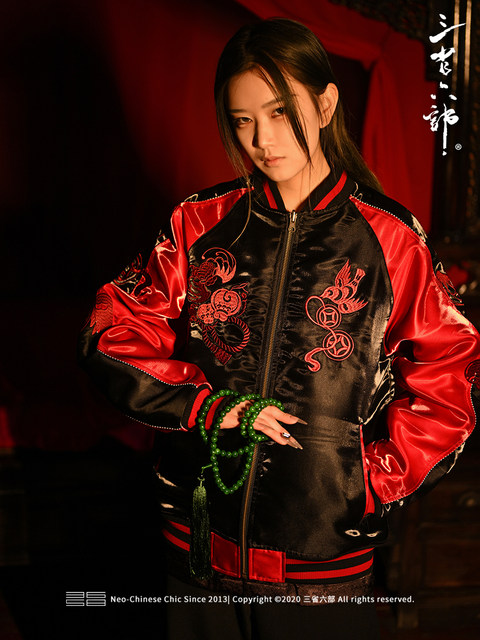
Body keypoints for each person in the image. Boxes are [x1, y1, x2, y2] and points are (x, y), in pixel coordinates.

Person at [78, 17, 480, 640]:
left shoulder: (392, 240)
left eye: (280, 112)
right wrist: (205, 406)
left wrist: (366, 481)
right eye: (242, 120)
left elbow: (449, 374)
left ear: (325, 104)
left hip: (320, 555)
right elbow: (111, 331)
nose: (262, 140)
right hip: (199, 536)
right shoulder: (197, 224)